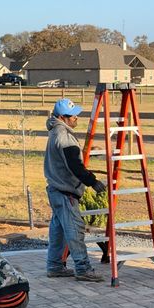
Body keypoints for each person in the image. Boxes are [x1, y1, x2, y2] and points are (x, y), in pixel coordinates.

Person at [43, 97, 107, 282]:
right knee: (75, 231)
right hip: (64, 191)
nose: (76, 118)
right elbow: (75, 166)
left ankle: (54, 266)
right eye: (73, 116)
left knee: (59, 230)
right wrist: (92, 182)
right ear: (63, 117)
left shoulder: (57, 132)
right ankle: (83, 268)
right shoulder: (63, 136)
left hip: (56, 188)